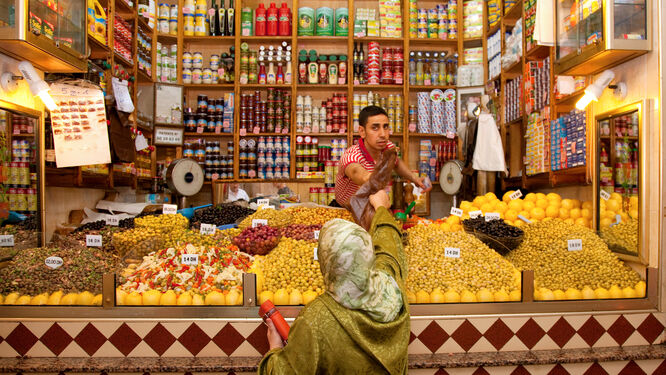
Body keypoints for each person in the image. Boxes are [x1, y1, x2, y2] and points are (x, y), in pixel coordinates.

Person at [258, 190, 410, 374]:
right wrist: (381, 208)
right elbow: (388, 247)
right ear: (368, 255)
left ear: (325, 260)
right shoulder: (392, 289)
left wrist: (274, 348)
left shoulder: (315, 320)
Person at [335, 105, 431, 209]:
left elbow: (397, 163)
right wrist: (374, 179)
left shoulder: (388, 147)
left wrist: (415, 179)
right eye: (375, 128)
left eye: (385, 127)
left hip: (373, 207)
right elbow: (358, 174)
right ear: (362, 131)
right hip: (347, 211)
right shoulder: (351, 155)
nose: (383, 134)